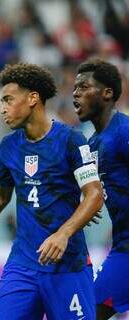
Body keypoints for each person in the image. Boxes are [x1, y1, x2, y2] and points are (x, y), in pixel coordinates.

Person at [0, 62, 104, 320]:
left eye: (8, 99)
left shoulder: (71, 140)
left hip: (68, 266)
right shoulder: (9, 146)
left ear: (33, 98)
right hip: (23, 265)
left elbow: (94, 194)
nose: (2, 108)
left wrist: (63, 234)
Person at [74, 58, 129, 320]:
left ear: (107, 93)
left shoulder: (124, 133)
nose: (75, 94)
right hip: (122, 244)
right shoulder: (93, 143)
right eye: (74, 89)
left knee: (88, 312)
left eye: (84, 87)